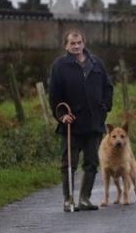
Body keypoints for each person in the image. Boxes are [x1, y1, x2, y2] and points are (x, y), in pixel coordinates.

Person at [49, 29, 113, 212]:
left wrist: (104, 107)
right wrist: (61, 115)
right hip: (72, 123)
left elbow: (108, 87)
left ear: (83, 43)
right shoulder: (59, 66)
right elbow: (54, 95)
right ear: (66, 46)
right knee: (69, 163)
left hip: (94, 122)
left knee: (92, 162)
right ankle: (68, 200)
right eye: (72, 44)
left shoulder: (96, 63)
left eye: (79, 43)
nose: (76, 46)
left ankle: (85, 198)